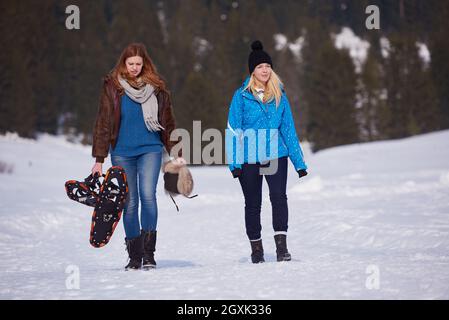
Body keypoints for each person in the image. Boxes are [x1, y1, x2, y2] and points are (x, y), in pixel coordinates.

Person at [91, 43, 185, 270]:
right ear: (124, 63)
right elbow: (104, 122)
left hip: (150, 149)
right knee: (130, 203)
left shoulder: (157, 88)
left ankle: (148, 254)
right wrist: (99, 159)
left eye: (138, 64)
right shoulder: (113, 87)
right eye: (130, 64)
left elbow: (169, 123)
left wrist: (176, 154)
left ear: (145, 64)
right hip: (122, 152)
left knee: (148, 196)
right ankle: (134, 256)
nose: (134, 68)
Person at [225, 40, 308, 264]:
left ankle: (282, 248)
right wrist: (234, 163)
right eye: (260, 67)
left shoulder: (279, 95)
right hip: (249, 157)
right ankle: (257, 250)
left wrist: (299, 163)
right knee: (253, 204)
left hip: (276, 155)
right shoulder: (241, 96)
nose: (265, 70)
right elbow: (234, 130)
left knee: (279, 198)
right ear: (253, 71)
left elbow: (288, 129)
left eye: (268, 67)